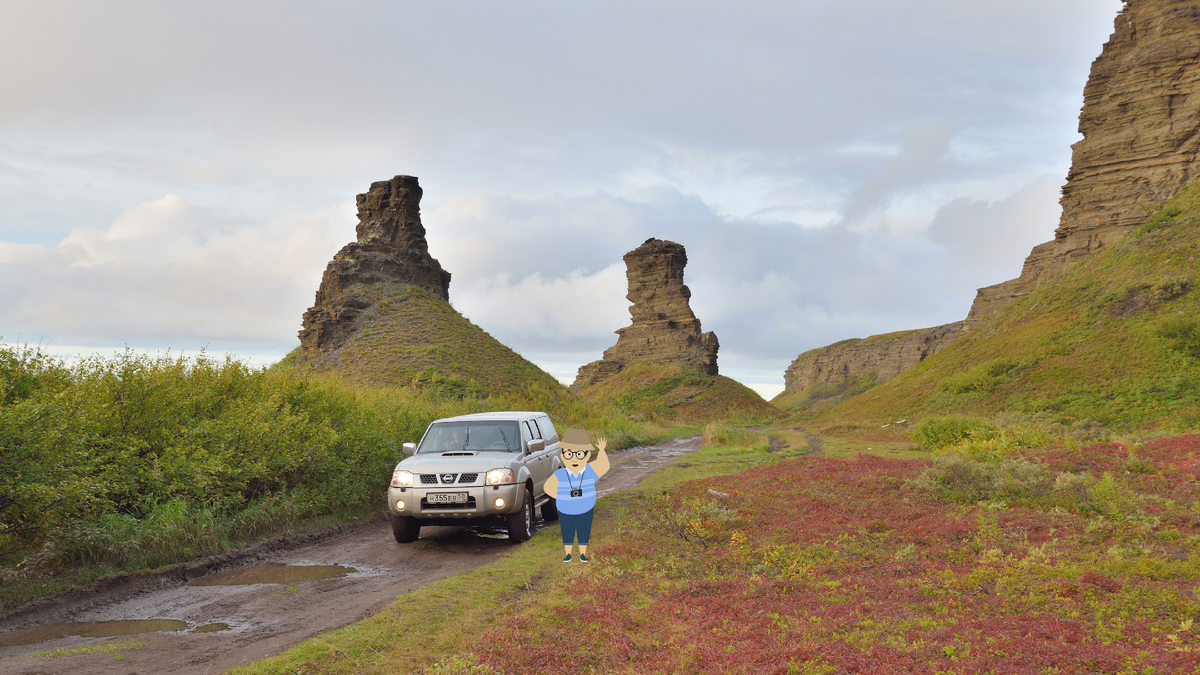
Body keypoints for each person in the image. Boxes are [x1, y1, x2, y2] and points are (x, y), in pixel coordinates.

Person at [543, 428, 609, 562]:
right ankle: (568, 553)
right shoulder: (560, 474)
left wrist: (602, 450)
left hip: (586, 508)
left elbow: (603, 465)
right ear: (562, 455)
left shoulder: (589, 470)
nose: (574, 458)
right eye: (569, 454)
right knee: (567, 530)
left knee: (583, 530)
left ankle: (582, 553)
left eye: (579, 454)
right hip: (565, 509)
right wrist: (562, 496)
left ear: (587, 455)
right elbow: (548, 487)